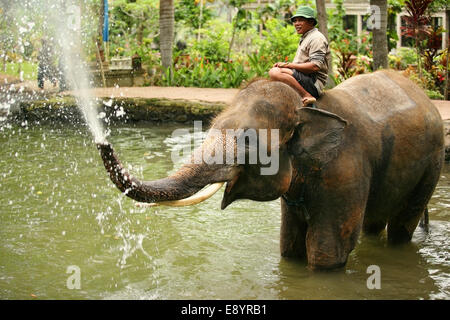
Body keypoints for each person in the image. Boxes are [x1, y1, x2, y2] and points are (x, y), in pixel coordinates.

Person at [269, 6, 331, 106]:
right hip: (304, 77)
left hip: (314, 83)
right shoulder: (306, 36)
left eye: (301, 20)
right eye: (295, 21)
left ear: (311, 22)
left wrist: (288, 65)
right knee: (277, 70)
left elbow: (315, 66)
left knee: (275, 72)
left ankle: (307, 95)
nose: (296, 24)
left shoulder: (316, 38)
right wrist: (286, 66)